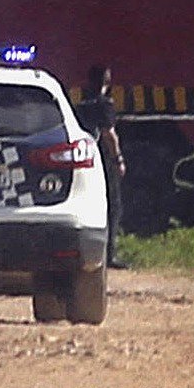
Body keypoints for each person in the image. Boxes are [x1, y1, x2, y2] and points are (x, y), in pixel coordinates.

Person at [76, 68, 128, 267]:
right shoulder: (104, 104)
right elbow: (109, 134)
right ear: (107, 81)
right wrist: (118, 159)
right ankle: (110, 254)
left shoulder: (82, 105)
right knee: (113, 206)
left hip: (87, 157)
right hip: (104, 159)